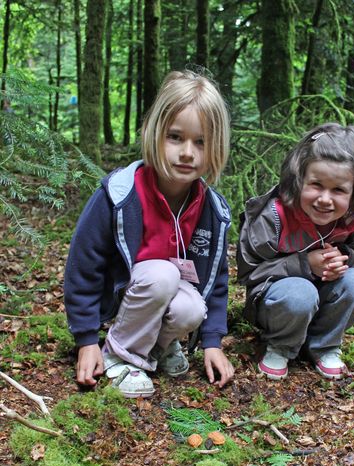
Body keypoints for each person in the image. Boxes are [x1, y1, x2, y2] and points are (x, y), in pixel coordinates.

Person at [64, 70, 234, 397]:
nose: (188, 152)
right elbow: (83, 265)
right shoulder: (120, 194)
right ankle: (119, 353)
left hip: (161, 293)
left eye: (201, 141)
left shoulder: (213, 210)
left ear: (216, 147)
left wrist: (212, 342)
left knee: (192, 308)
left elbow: (217, 278)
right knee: (163, 273)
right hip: (122, 298)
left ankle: (158, 344)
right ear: (154, 133)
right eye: (175, 137)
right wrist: (87, 340)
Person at [237, 122, 354, 381]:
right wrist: (304, 264)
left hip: (325, 295)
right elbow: (251, 273)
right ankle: (280, 345)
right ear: (299, 179)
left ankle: (324, 344)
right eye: (316, 185)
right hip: (278, 302)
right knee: (300, 293)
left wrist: (344, 258)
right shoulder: (275, 216)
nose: (325, 199)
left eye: (338, 190)